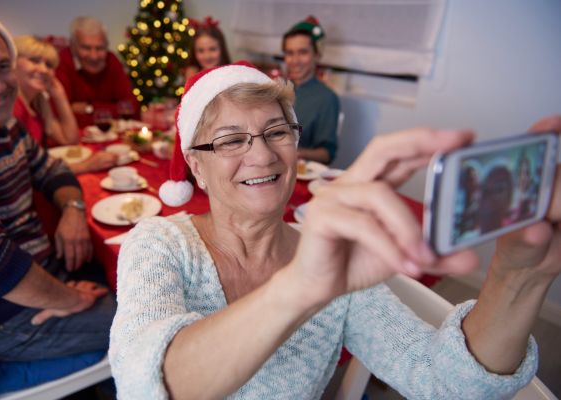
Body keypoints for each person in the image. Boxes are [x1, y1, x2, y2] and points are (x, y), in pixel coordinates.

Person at [110, 61, 560, 399]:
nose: (263, 156)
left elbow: (447, 383)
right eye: (230, 140)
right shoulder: (159, 244)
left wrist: (519, 274)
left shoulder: (332, 259)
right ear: (196, 167)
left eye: (276, 132)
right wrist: (301, 286)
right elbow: (141, 386)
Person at [0, 4, 115, 372]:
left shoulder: (5, 126)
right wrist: (70, 299)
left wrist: (73, 211)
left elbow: (52, 169)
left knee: (145, 272)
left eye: (2, 66)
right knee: (154, 318)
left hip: (40, 277)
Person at [14, 35, 118, 174]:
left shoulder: (37, 104)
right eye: (34, 60)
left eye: (49, 65)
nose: (44, 70)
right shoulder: (14, 108)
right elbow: (25, 173)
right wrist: (86, 166)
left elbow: (69, 139)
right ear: (12, 63)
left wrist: (60, 96)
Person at [55, 16, 139, 127]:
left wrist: (89, 108)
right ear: (73, 46)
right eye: (86, 48)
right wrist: (112, 111)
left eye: (100, 48)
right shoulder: (62, 62)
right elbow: (60, 115)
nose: (94, 56)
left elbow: (132, 108)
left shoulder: (111, 60)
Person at [282, 16, 339, 164]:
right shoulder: (277, 89)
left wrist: (293, 151)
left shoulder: (327, 98)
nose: (295, 60)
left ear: (317, 55)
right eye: (289, 53)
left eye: (303, 52)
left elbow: (327, 154)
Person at [184, 16, 231, 81]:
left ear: (222, 49)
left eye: (212, 49)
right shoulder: (192, 74)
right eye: (200, 50)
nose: (207, 56)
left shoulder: (231, 74)